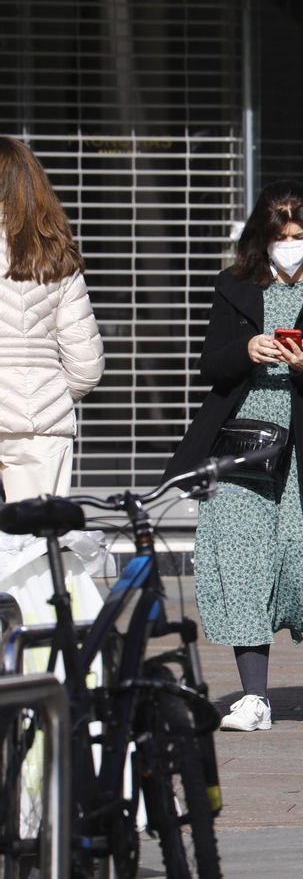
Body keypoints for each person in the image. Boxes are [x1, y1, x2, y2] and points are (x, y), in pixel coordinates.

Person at [165, 181, 303, 731]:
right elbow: (211, 365)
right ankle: (254, 698)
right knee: (241, 555)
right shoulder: (234, 286)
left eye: (299, 236)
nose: (289, 245)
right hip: (241, 438)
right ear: (261, 237)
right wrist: (246, 350)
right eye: (280, 236)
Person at [0, 137, 107, 668]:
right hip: (41, 426)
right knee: (38, 555)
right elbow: (86, 364)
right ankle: (47, 670)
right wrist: (45, 394)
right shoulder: (55, 255)